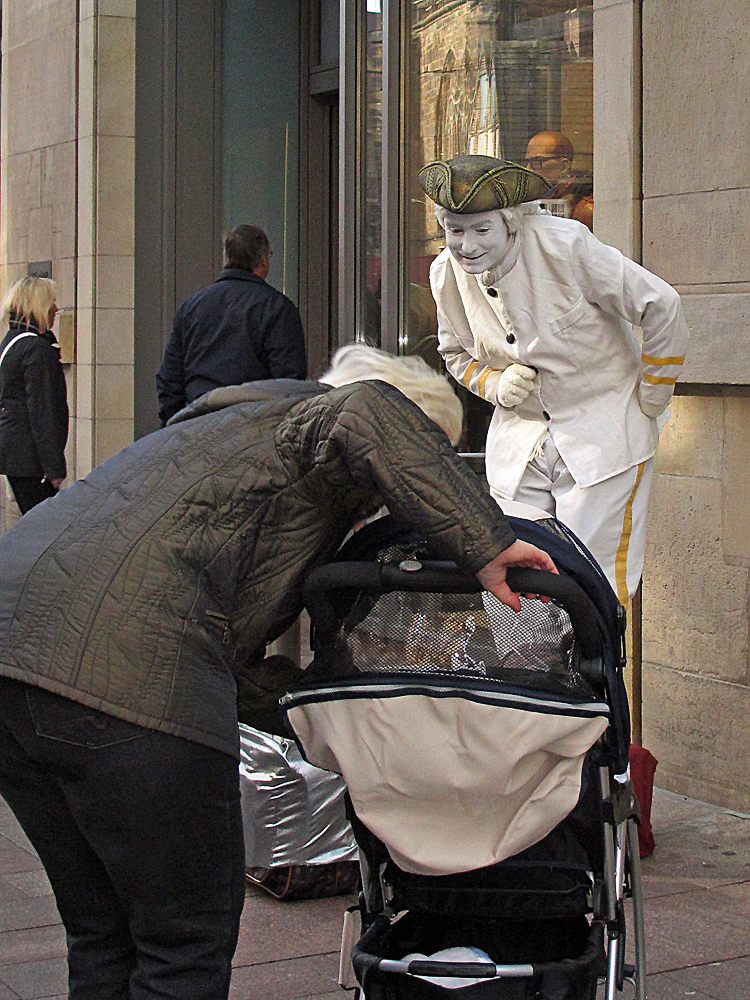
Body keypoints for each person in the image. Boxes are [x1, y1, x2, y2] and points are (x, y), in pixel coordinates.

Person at [0, 344, 556, 1000]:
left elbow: (225, 660)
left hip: (14, 653)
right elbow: (371, 406)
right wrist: (484, 541)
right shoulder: (315, 427)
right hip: (128, 670)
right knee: (182, 945)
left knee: (103, 933)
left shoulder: (222, 438)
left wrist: (329, 705)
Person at [418, 154, 691, 604]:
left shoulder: (565, 245)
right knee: (507, 582)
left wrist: (651, 399)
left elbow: (661, 305)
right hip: (518, 445)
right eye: (455, 230)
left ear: (509, 222)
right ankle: (519, 671)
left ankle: (592, 674)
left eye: (480, 229)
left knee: (593, 586)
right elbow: (453, 353)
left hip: (603, 440)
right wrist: (493, 385)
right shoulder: (445, 273)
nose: (466, 245)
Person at [156, 224, 307, 426]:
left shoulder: (191, 307)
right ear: (263, 260)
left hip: (195, 425)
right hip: (253, 428)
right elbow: (290, 385)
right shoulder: (278, 308)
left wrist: (174, 424)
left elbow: (169, 380)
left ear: (228, 259)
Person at [0, 276, 68, 514]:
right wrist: (54, 469)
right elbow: (43, 411)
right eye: (51, 303)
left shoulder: (13, 342)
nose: (56, 309)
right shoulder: (35, 349)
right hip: (31, 461)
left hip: (17, 456)